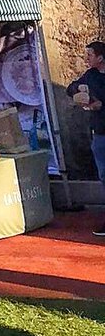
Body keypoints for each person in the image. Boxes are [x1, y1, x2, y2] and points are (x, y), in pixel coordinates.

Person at [67, 40, 105, 234]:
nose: (86, 58)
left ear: (100, 57)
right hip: (100, 134)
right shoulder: (90, 76)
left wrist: (101, 106)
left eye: (89, 55)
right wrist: (78, 93)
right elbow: (71, 87)